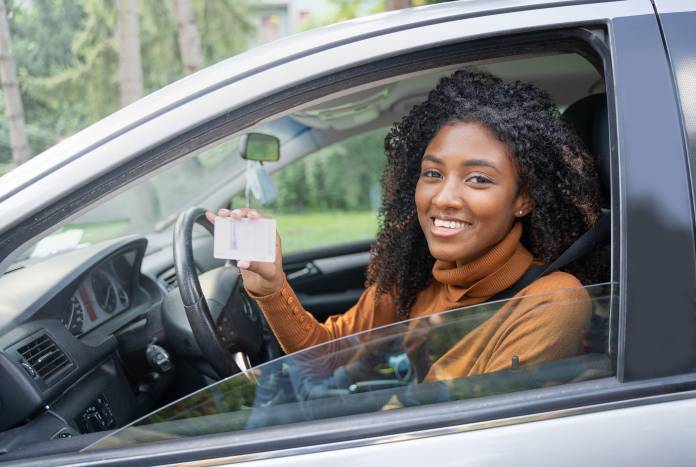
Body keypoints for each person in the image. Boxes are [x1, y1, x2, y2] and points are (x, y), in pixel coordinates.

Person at [210, 69, 606, 383]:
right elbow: (325, 360)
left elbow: (473, 436)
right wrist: (271, 288)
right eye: (432, 173)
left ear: (524, 199)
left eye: (478, 179)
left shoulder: (553, 301)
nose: (444, 197)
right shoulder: (413, 277)